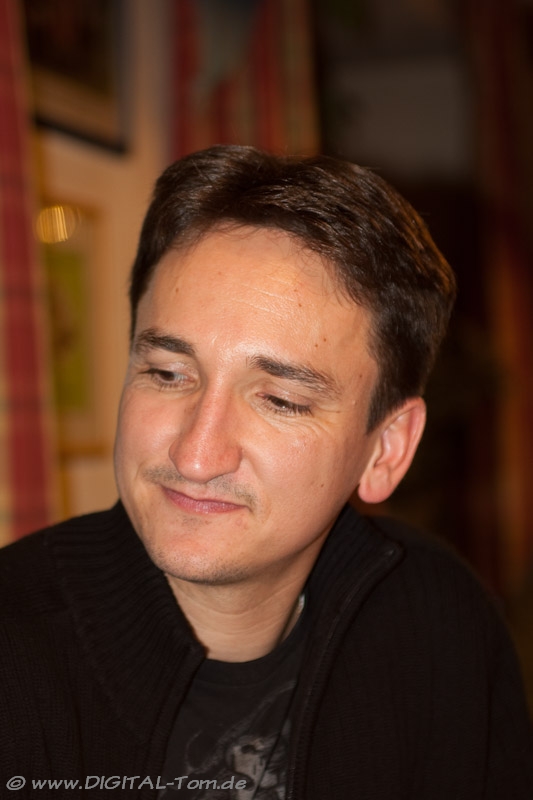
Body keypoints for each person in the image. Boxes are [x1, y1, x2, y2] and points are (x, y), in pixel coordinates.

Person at [1, 145, 532, 800]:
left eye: (280, 400)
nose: (196, 455)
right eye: (167, 373)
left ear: (386, 450)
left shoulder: (440, 628)